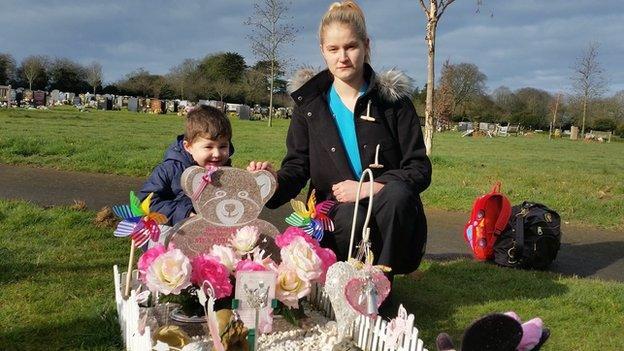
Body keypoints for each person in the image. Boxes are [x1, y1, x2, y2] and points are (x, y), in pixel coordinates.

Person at [248, 0, 431, 276]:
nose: (342, 57)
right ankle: (341, 281)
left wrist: (369, 187)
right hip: (334, 214)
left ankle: (380, 280)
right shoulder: (310, 105)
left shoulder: (394, 102)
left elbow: (419, 169)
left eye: (351, 47)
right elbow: (297, 168)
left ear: (366, 45)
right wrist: (268, 181)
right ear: (323, 51)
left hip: (387, 208)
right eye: (333, 49)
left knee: (397, 195)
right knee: (350, 217)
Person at [138, 105, 234, 227]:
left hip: (210, 234)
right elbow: (146, 202)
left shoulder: (226, 170)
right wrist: (185, 213)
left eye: (223, 146)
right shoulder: (170, 169)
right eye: (208, 147)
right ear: (188, 147)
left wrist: (255, 177)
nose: (217, 154)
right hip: (174, 234)